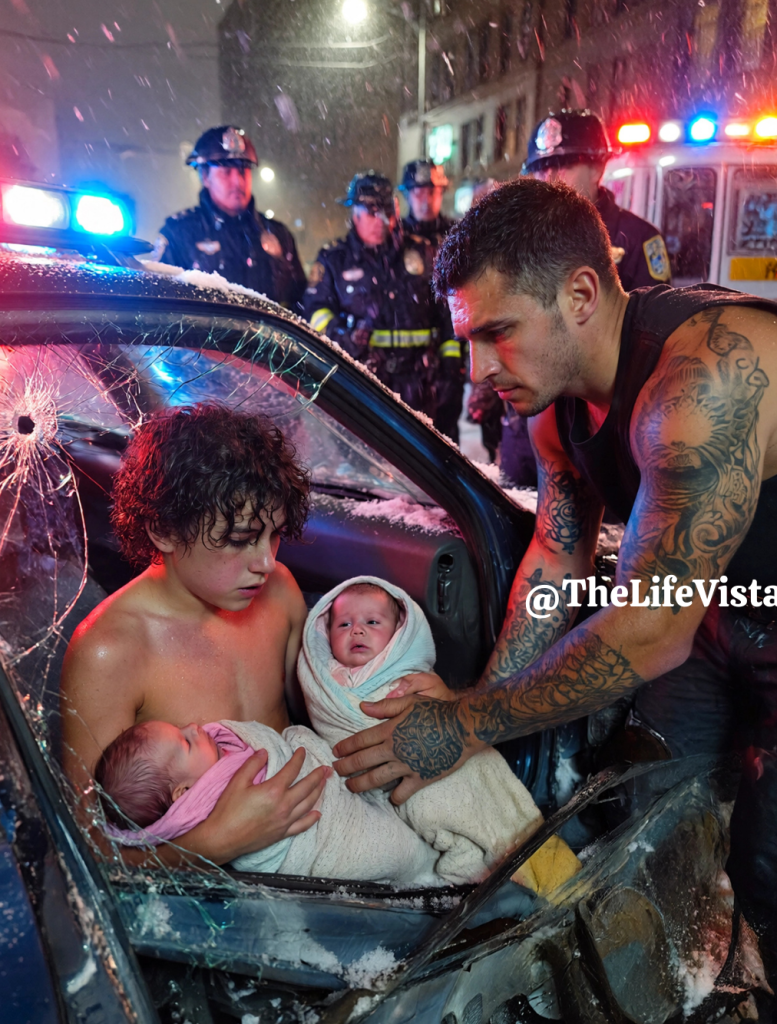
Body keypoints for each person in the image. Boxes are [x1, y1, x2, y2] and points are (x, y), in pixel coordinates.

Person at [331, 179, 777, 1001]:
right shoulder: (552, 403)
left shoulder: (704, 377)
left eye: (497, 333)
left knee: (765, 864)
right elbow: (555, 562)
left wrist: (464, 723)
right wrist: (482, 706)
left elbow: (648, 630)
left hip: (705, 618)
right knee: (650, 813)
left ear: (578, 295)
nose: (476, 371)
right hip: (718, 615)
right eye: (467, 340)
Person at [60, 404, 328, 869]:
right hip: (208, 894)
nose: (266, 562)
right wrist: (212, 845)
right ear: (164, 529)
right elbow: (89, 847)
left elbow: (321, 716)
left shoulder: (279, 591)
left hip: (317, 842)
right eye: (241, 539)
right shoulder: (111, 650)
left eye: (274, 535)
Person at [298, 575, 580, 888]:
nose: (357, 630)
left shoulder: (406, 672)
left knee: (480, 799)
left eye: (372, 622)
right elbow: (325, 712)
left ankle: (538, 868)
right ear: (324, 632)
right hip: (373, 775)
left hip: (436, 755)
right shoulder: (326, 676)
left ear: (399, 632)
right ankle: (487, 873)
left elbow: (443, 717)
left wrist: (448, 710)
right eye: (343, 624)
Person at [499, 109, 674, 487]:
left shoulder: (638, 239)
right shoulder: (518, 240)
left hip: (602, 427)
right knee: (511, 510)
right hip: (530, 418)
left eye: (563, 165)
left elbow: (651, 343)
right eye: (541, 168)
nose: (549, 177)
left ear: (598, 168)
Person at [304, 171, 456, 422]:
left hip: (421, 385)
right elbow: (315, 310)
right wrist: (341, 337)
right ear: (355, 214)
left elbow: (447, 313)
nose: (379, 220)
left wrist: (450, 367)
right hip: (362, 384)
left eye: (385, 211)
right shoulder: (334, 259)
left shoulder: (423, 253)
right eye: (370, 212)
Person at [151, 126, 306, 310]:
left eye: (242, 171)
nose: (237, 181)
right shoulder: (178, 234)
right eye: (226, 172)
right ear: (205, 177)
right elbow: (158, 305)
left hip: (266, 331)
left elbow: (301, 304)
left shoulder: (279, 235)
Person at [399, 160, 464, 442]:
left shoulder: (458, 234)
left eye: (432, 192)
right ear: (407, 195)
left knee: (446, 440)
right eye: (419, 192)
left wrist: (454, 364)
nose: (426, 200)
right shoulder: (396, 240)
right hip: (408, 366)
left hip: (451, 353)